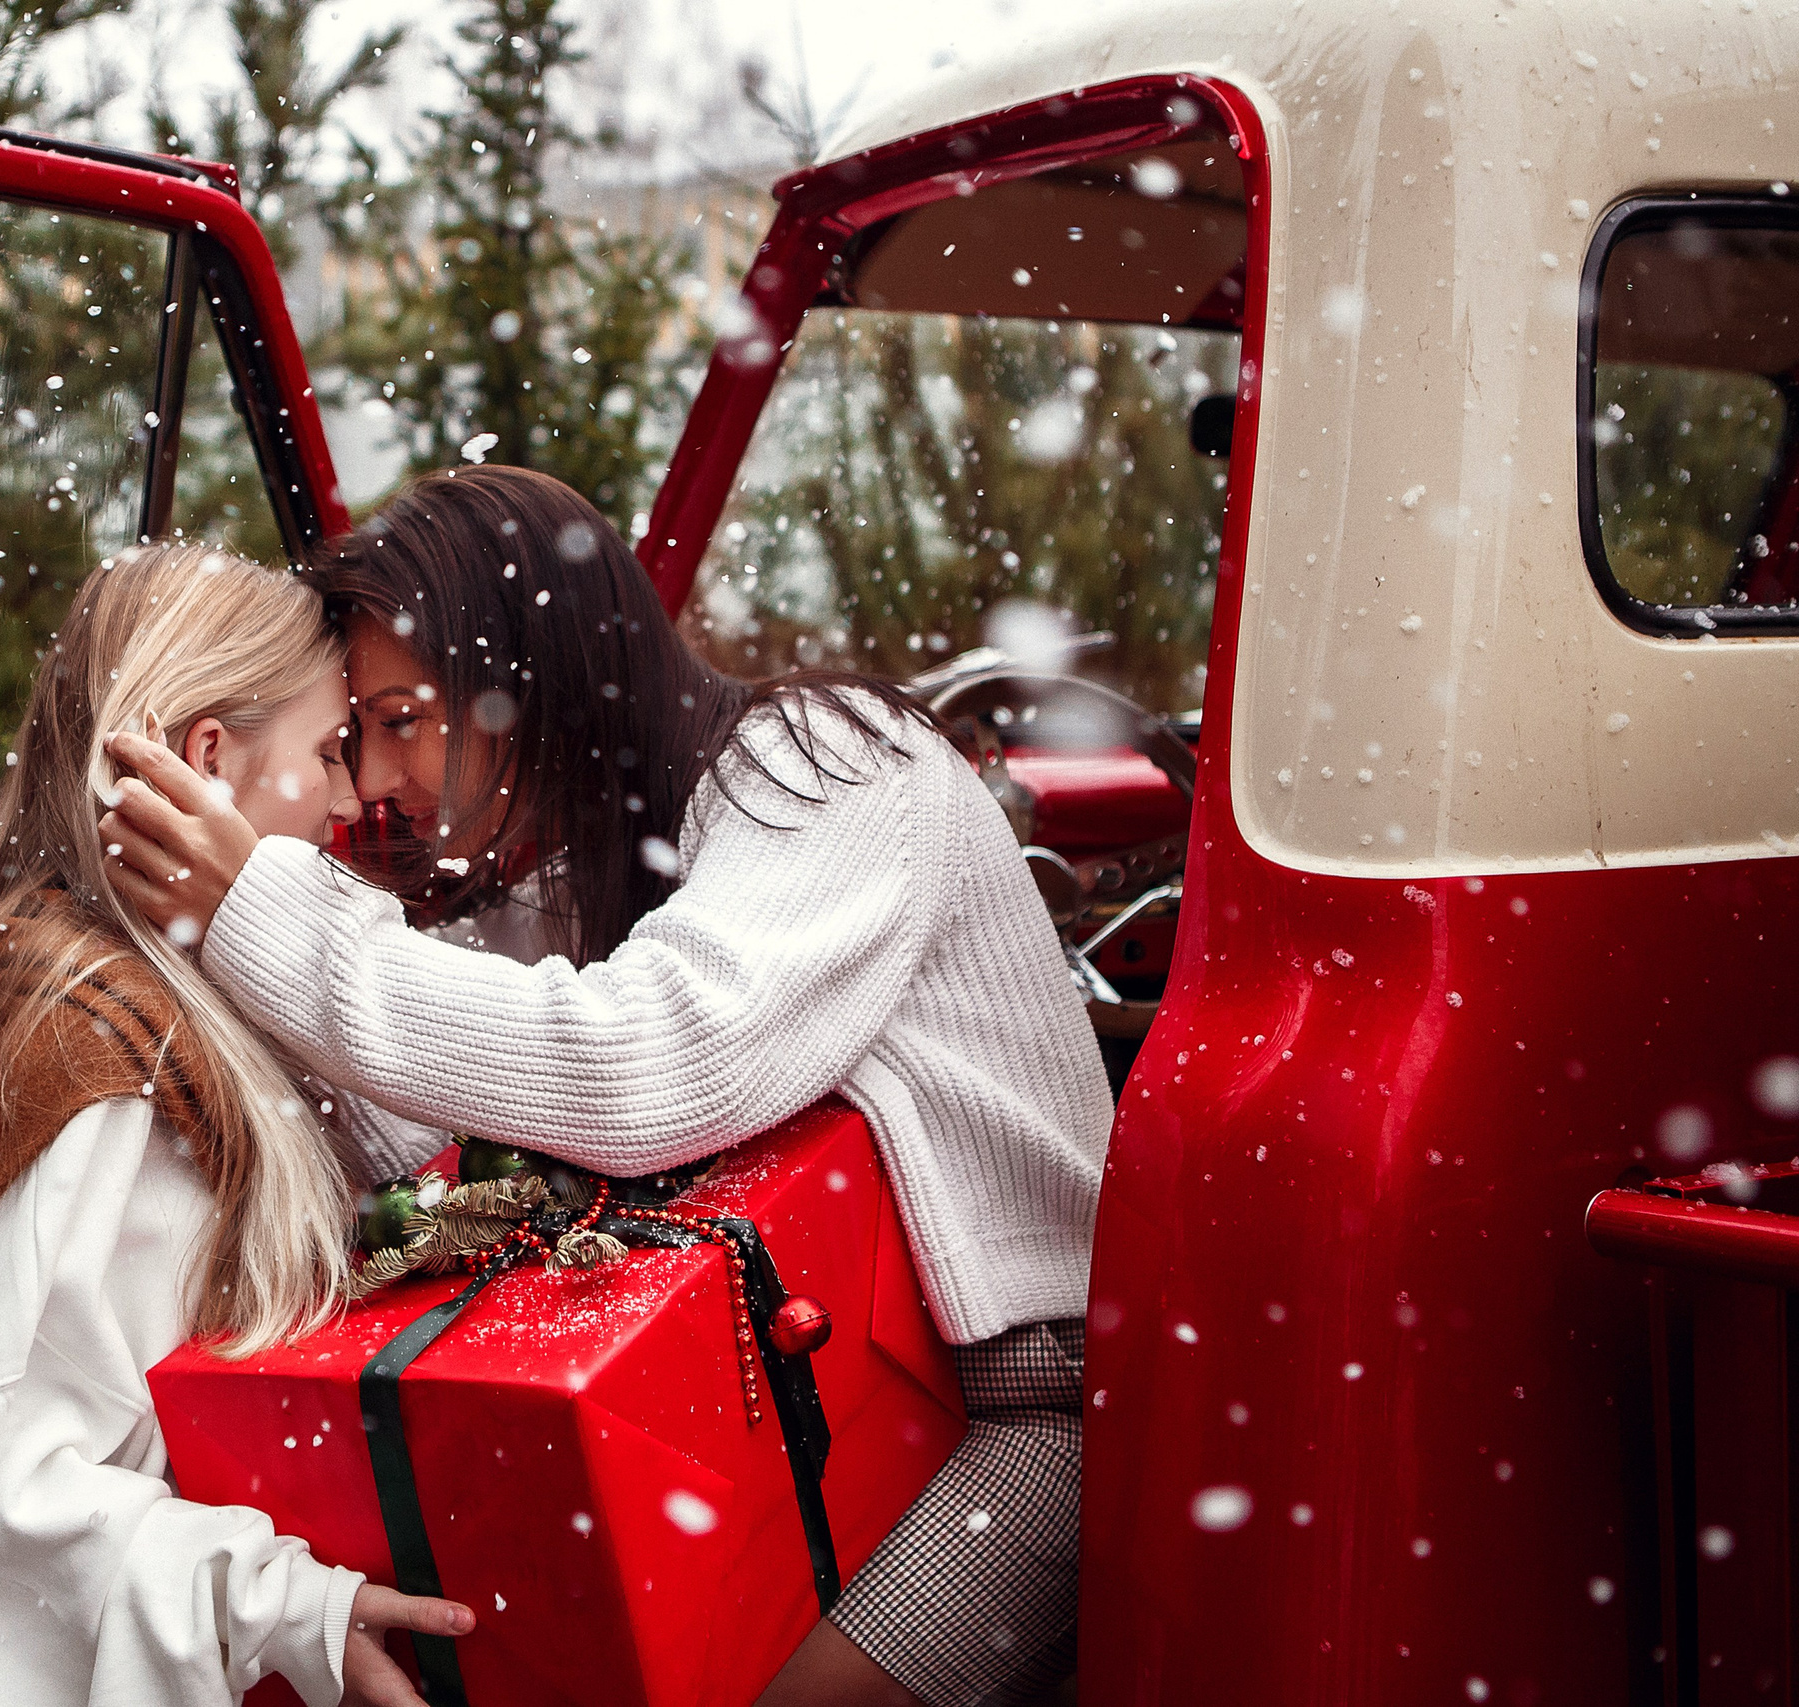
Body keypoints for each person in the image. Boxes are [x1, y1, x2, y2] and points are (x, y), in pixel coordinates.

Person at [97, 468, 1114, 1707]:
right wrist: (196, 942)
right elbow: (434, 1143)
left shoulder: (833, 764)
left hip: (1030, 1423)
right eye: (353, 732)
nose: (370, 780)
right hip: (780, 1401)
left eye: (404, 718)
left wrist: (262, 905)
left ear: (532, 673)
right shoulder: (564, 867)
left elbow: (649, 1067)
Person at [0, 542, 472, 1707]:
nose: (355, 796)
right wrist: (283, 1607)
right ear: (204, 761)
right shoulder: (108, 1054)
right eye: (326, 752)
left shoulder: (154, 998)